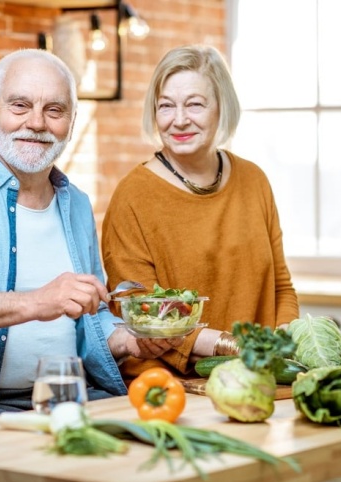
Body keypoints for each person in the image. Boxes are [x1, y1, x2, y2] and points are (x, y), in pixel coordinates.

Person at [0, 49, 182, 431]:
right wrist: (34, 302)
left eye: (54, 110)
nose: (36, 123)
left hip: (69, 397)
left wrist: (130, 342)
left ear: (71, 121)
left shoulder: (75, 203)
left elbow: (89, 315)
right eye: (20, 105)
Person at [101, 45, 299, 380]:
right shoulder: (133, 196)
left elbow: (280, 287)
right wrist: (234, 346)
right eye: (166, 106)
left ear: (222, 108)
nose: (179, 120)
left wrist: (282, 344)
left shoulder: (254, 180)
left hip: (257, 377)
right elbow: (143, 316)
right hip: (168, 385)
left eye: (194, 104)